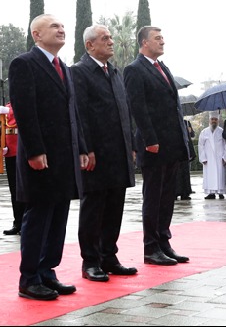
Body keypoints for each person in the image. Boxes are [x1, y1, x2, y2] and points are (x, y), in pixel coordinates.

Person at [9, 14, 88, 301]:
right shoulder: (24, 64)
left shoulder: (63, 69)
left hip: (64, 156)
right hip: (41, 156)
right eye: (54, 26)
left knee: (58, 216)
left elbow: (72, 114)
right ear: (36, 35)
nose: (62, 29)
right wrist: (35, 150)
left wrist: (80, 147)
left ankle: (47, 271)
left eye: (63, 26)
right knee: (39, 215)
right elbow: (25, 110)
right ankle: (29, 277)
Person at [71, 25, 137, 283]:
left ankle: (109, 256)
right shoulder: (79, 72)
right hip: (96, 154)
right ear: (90, 45)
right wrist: (86, 149)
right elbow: (80, 114)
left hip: (118, 152)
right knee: (94, 208)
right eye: (105, 38)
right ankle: (90, 261)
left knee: (114, 207)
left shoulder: (115, 73)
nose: (111, 42)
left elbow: (125, 111)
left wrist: (130, 144)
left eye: (110, 37)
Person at [124, 26, 191, 267]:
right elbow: (137, 108)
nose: (163, 41)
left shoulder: (163, 68)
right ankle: (150, 247)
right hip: (154, 145)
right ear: (144, 43)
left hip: (172, 144)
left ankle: (164, 242)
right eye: (157, 38)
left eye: (163, 37)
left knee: (167, 197)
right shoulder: (134, 70)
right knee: (153, 197)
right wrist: (150, 139)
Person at [0, 102, 25, 236]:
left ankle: (25, 222)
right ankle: (18, 222)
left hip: (22, 151)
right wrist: (1, 145)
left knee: (24, 190)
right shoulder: (7, 107)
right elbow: (2, 127)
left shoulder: (22, 104)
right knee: (14, 191)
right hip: (10, 152)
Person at [199, 111, 226, 200]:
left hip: (220, 158)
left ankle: (220, 192)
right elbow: (200, 145)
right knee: (209, 175)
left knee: (220, 175)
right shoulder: (204, 132)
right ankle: (211, 193)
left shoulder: (222, 131)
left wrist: (224, 157)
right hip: (208, 159)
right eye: (212, 119)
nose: (213, 121)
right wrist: (203, 157)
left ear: (218, 121)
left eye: (215, 119)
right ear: (209, 120)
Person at [175, 119, 197, 200]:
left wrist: (190, 131)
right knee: (175, 173)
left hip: (184, 150)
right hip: (174, 150)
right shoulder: (170, 121)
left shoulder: (186, 122)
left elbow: (192, 135)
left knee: (185, 173)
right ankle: (175, 193)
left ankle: (185, 193)